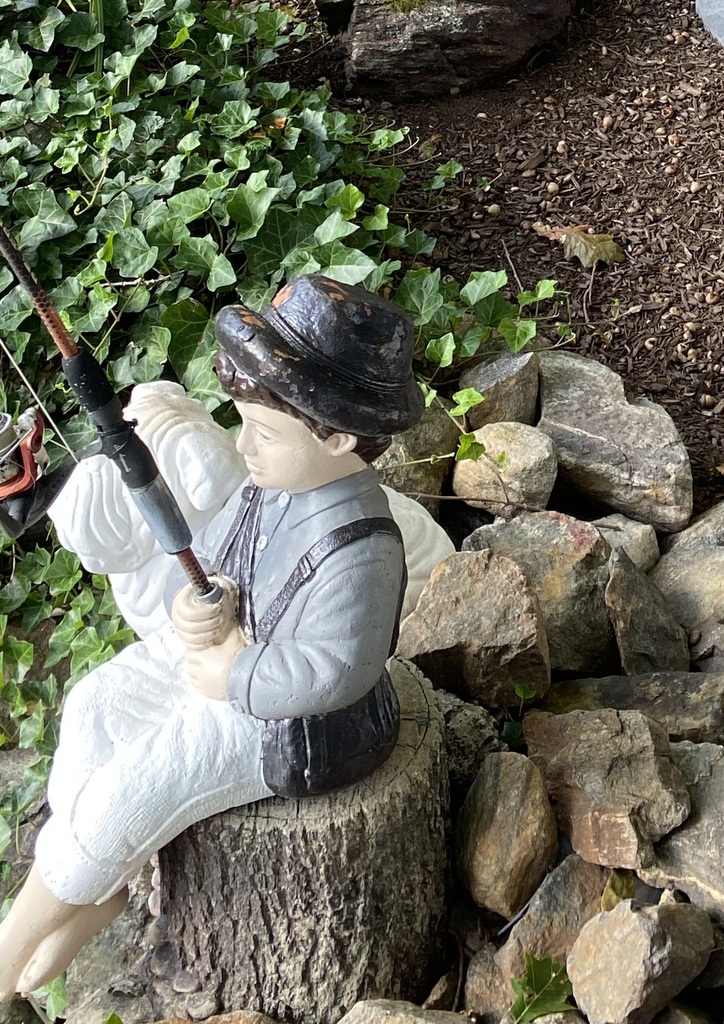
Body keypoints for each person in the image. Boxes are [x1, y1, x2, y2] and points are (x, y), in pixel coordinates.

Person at [0, 276, 430, 999]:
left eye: (264, 432)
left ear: (339, 437)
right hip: (228, 660)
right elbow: (222, 564)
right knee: (96, 701)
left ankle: (13, 945)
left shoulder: (363, 542)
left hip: (293, 726)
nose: (244, 446)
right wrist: (205, 609)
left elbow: (337, 671)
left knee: (134, 786)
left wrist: (235, 671)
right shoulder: (270, 486)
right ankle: (91, 885)